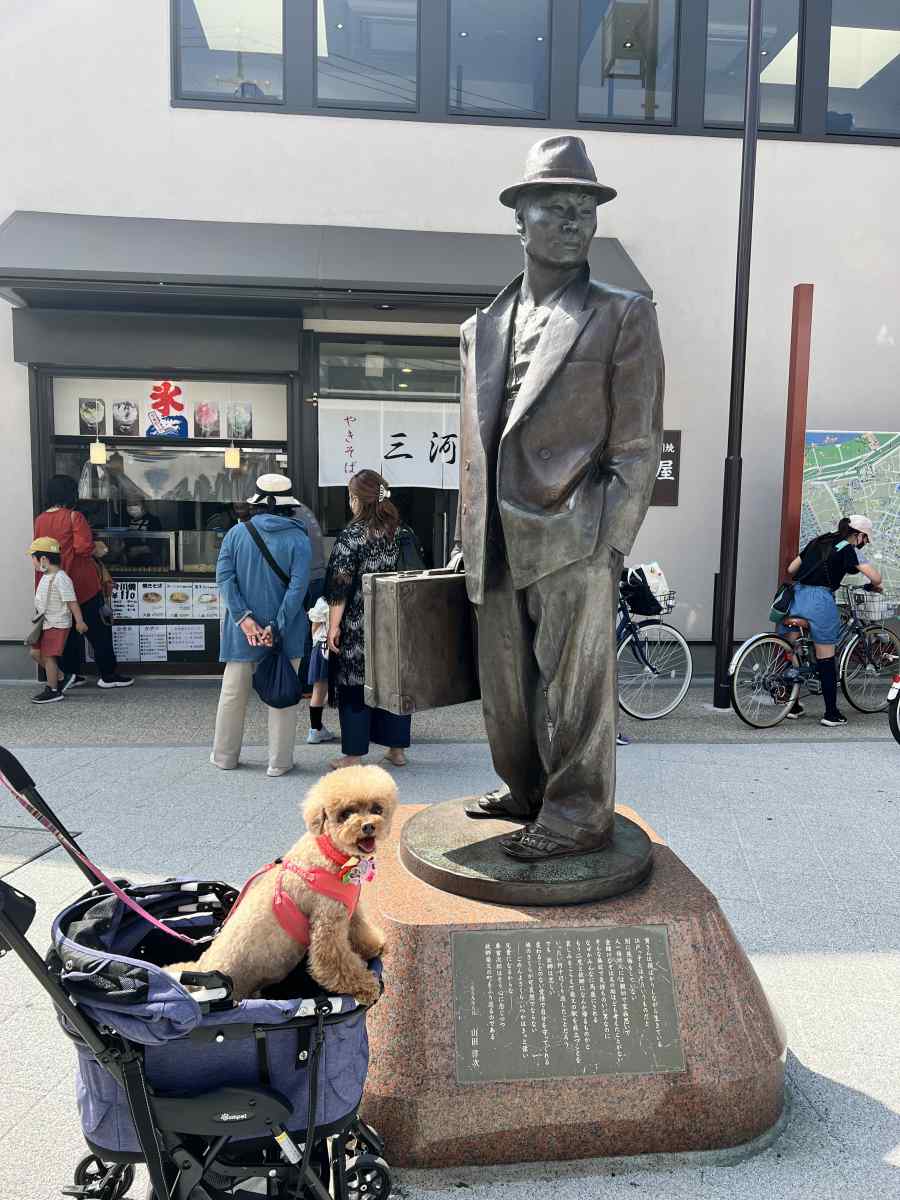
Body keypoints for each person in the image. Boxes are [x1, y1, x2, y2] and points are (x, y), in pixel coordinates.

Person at [452, 136, 664, 861]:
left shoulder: (622, 312)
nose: (574, 221)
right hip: (496, 537)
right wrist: (467, 533)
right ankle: (526, 788)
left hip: (575, 531)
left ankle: (577, 814)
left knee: (576, 693)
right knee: (505, 690)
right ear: (520, 220)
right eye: (556, 207)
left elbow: (638, 441)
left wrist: (609, 541)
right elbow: (476, 444)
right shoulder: (479, 329)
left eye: (586, 210)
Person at [211, 473, 311, 777]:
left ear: (257, 503)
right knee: (282, 693)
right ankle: (279, 762)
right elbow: (298, 589)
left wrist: (244, 619)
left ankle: (225, 756)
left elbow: (224, 579)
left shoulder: (236, 534)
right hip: (285, 633)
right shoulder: (299, 537)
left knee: (232, 693)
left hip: (243, 634)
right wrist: (276, 626)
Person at [324, 469, 411, 770]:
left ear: (359, 501)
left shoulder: (352, 536)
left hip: (359, 625)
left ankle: (353, 756)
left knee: (354, 686)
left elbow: (340, 585)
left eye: (351, 496)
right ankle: (396, 750)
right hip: (395, 625)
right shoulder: (400, 531)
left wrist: (333, 626)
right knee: (392, 684)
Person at [33, 474, 133, 690]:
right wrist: (98, 546)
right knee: (99, 631)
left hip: (55, 586)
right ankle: (107, 675)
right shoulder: (74, 517)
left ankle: (71, 674)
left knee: (65, 631)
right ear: (71, 494)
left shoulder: (40, 520)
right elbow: (83, 548)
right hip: (81, 585)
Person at [781, 515, 882, 727]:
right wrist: (874, 585)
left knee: (792, 651)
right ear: (860, 535)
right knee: (826, 656)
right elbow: (876, 578)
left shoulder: (819, 540)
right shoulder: (848, 547)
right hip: (819, 601)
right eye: (866, 539)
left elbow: (791, 569)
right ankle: (831, 714)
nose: (865, 543)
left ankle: (791, 705)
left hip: (796, 597)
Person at [27, 537, 88, 704]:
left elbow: (72, 602)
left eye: (33, 559)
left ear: (44, 559)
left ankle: (53, 690)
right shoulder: (46, 576)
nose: (33, 563)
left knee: (49, 656)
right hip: (46, 623)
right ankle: (61, 676)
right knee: (36, 653)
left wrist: (80, 621)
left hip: (58, 623)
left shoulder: (61, 578)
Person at [305, 596, 335, 744]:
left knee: (318, 689)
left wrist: (314, 644)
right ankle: (353, 730)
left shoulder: (323, 600)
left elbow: (315, 626)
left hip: (321, 648)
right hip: (340, 647)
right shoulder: (350, 596)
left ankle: (315, 729)